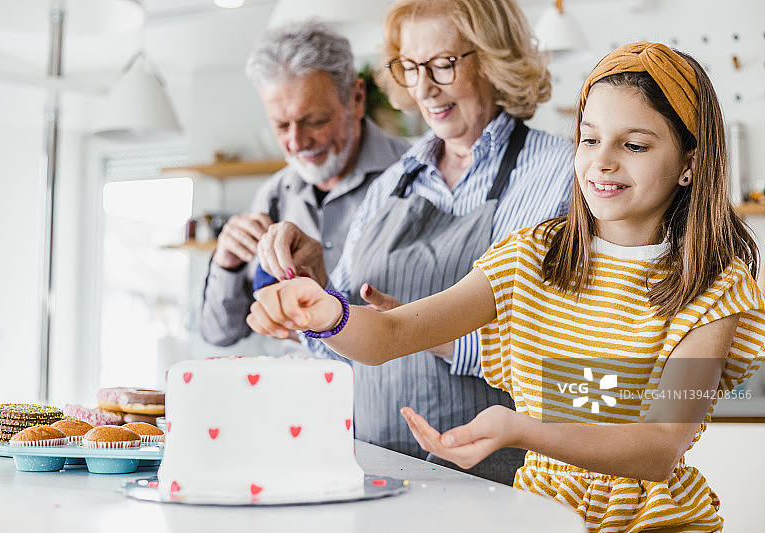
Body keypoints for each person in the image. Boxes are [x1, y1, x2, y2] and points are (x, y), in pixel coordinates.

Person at [248, 42, 765, 531]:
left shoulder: (715, 287)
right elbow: (390, 334)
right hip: (540, 516)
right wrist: (325, 313)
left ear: (691, 164)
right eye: (589, 137)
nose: (602, 160)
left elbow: (658, 448)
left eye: (633, 144)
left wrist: (521, 431)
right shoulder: (531, 257)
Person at [255, 0, 573, 484]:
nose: (424, 88)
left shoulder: (561, 174)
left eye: (444, 64)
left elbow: (570, 347)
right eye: (410, 66)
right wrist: (314, 286)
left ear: (493, 57)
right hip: (374, 470)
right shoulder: (394, 181)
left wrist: (423, 335)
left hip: (495, 480)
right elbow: (334, 352)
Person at [199, 21, 409, 350]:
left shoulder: (416, 175)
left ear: (356, 98)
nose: (296, 142)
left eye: (314, 121)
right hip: (303, 394)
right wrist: (227, 262)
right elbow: (218, 333)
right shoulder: (272, 196)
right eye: (282, 125)